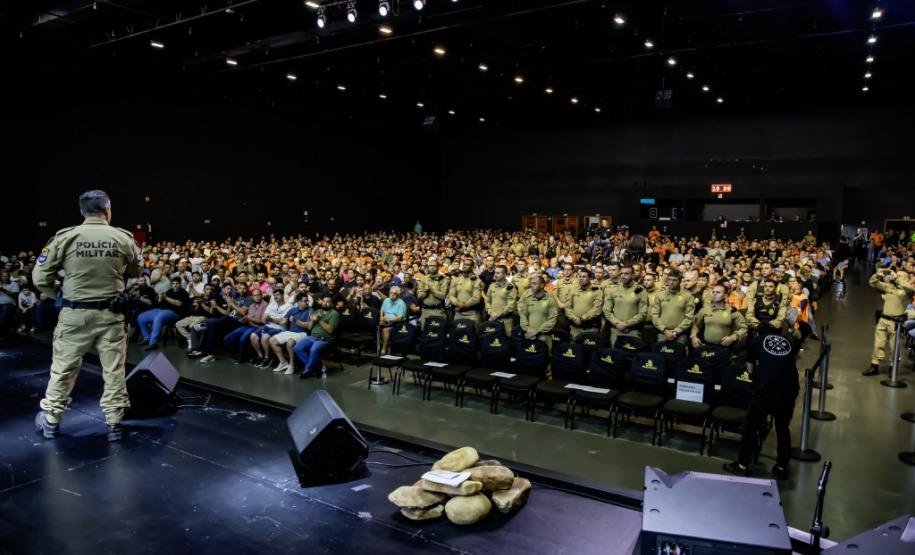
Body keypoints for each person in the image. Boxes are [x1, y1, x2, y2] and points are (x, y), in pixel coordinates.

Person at [31, 190, 142, 442]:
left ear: (82, 212)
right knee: (114, 370)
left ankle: (51, 420)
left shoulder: (65, 237)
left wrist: (58, 294)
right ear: (108, 209)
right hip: (110, 315)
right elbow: (136, 268)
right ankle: (114, 423)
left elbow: (39, 278)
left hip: (74, 314)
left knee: (63, 368)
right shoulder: (123, 237)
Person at [724, 323, 800, 480]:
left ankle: (742, 465)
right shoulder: (787, 342)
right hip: (790, 388)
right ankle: (781, 467)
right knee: (783, 428)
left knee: (750, 426)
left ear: (757, 333)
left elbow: (750, 369)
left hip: (767, 389)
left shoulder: (755, 342)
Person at [863, 269, 915, 376]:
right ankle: (874, 365)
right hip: (883, 320)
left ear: (906, 279)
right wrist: (877, 275)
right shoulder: (889, 287)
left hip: (895, 323)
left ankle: (893, 367)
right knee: (878, 344)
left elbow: (910, 288)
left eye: (900, 275)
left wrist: (897, 278)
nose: (895, 276)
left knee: (894, 346)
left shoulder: (908, 291)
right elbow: (873, 283)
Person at [295, 294, 341, 377]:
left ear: (332, 304)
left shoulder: (335, 314)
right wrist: (312, 320)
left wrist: (319, 320)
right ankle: (315, 366)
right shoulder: (318, 311)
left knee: (313, 349)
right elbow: (309, 328)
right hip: (312, 337)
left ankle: (308, 370)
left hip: (324, 339)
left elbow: (330, 330)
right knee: (297, 348)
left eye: (328, 302)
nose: (325, 303)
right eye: (324, 301)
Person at [137, 277, 189, 350]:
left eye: (177, 283)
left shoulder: (183, 293)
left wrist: (166, 298)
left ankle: (153, 343)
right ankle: (147, 338)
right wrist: (160, 298)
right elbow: (160, 302)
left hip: (174, 312)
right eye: (173, 284)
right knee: (141, 317)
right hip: (161, 309)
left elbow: (179, 304)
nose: (175, 285)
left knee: (158, 318)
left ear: (180, 284)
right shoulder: (170, 291)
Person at [691, 283, 747, 350]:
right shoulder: (705, 310)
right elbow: (695, 325)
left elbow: (744, 328)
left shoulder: (732, 312)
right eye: (713, 292)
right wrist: (693, 336)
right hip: (706, 345)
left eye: (718, 292)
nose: (714, 294)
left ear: (725, 295)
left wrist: (732, 337)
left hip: (724, 348)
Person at [603, 265, 648, 346]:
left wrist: (626, 324)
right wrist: (617, 323)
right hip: (616, 331)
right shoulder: (613, 290)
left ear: (633, 275)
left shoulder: (640, 291)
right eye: (622, 274)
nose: (623, 276)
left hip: (633, 331)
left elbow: (643, 313)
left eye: (626, 274)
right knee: (615, 357)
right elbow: (606, 310)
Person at [268, 292, 312, 375]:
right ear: (298, 302)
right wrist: (279, 320)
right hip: (290, 332)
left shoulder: (310, 310)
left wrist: (296, 321)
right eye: (305, 301)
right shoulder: (292, 310)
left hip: (303, 333)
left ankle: (291, 364)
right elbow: (284, 320)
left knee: (290, 342)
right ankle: (283, 362)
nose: (307, 303)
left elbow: (309, 326)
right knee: (272, 340)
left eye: (307, 301)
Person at [650, 269, 695, 345]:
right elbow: (654, 315)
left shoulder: (688, 296)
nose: (671, 282)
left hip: (680, 334)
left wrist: (675, 332)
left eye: (674, 280)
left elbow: (689, 318)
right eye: (669, 279)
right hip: (662, 333)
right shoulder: (660, 295)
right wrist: (665, 330)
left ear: (680, 281)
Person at [518, 274, 559, 350]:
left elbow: (553, 319)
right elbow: (523, 315)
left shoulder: (550, 300)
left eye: (535, 284)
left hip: (544, 337)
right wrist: (528, 329)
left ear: (542, 285)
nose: (532, 286)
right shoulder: (528, 299)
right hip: (528, 335)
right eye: (531, 284)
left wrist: (537, 331)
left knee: (544, 360)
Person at [566, 267, 603, 340]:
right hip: (575, 328)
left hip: (591, 328)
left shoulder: (596, 291)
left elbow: (597, 309)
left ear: (589, 278)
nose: (581, 278)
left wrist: (582, 319)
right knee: (575, 349)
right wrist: (574, 318)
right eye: (580, 276)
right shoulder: (573, 291)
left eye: (584, 277)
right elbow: (567, 307)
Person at [484, 265, 517, 335]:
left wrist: (497, 314)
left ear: (504, 275)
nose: (495, 275)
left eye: (498, 273)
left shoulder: (511, 287)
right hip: (492, 318)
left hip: (505, 320)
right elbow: (487, 300)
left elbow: (511, 305)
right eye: (495, 272)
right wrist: (490, 312)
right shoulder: (492, 285)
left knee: (506, 341)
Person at [379, 286, 407, 355]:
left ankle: (384, 348)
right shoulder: (386, 300)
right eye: (391, 293)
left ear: (398, 295)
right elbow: (382, 310)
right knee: (375, 326)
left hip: (396, 323)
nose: (392, 294)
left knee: (385, 329)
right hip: (385, 320)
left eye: (394, 293)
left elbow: (399, 318)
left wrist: (387, 320)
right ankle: (386, 344)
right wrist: (381, 316)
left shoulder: (401, 303)